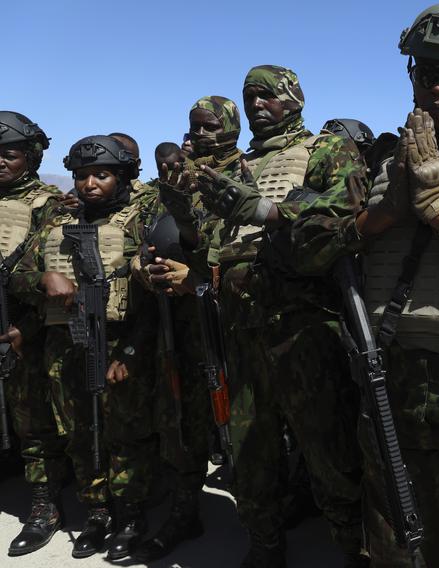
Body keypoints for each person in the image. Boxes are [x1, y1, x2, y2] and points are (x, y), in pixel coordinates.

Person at [195, 3, 439, 565]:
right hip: (392, 393)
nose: (436, 89)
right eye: (424, 75)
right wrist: (383, 217)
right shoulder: (381, 160)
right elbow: (304, 246)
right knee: (395, 551)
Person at [159, 65, 366, 567]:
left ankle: (352, 548)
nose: (256, 105)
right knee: (250, 449)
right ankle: (265, 544)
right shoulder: (236, 165)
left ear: (293, 98)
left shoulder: (325, 150)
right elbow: (209, 239)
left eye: (266, 96)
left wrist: (274, 215)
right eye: (249, 97)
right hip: (238, 327)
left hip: (303, 327)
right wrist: (182, 208)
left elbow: (347, 210)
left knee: (328, 450)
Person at [11, 135, 158, 560]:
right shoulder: (57, 219)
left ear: (124, 176)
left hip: (118, 342)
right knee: (78, 432)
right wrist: (43, 281)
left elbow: (155, 303)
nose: (89, 183)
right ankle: (97, 513)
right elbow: (20, 272)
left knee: (126, 434)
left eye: (101, 175)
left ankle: (131, 515)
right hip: (64, 343)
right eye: (80, 176)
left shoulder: (142, 219)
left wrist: (129, 352)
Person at [131, 96, 244, 562]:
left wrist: (200, 278)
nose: (198, 134)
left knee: (248, 430)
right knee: (181, 422)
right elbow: (144, 238)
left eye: (209, 125)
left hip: (233, 324)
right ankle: (184, 510)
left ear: (231, 128)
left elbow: (251, 245)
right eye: (193, 126)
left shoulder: (248, 173)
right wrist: (143, 267)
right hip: (177, 328)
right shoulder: (171, 182)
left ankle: (264, 528)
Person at [0, 111, 67, 557]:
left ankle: (44, 505)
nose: (0, 163)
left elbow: (51, 273)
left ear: (31, 156)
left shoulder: (50, 205)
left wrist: (22, 324)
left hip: (26, 326)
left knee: (32, 420)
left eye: (9, 155)